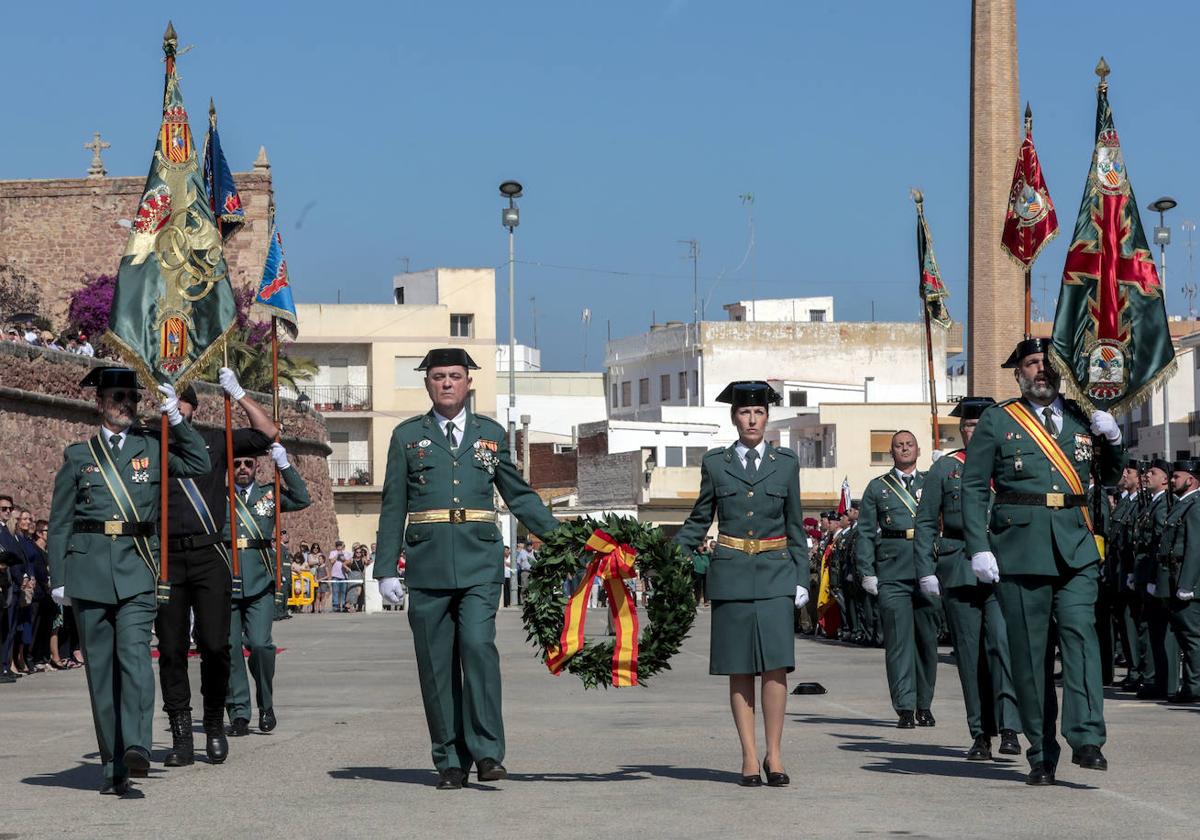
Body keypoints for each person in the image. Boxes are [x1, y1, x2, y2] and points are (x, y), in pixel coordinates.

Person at [374, 348, 561, 790]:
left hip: (479, 562)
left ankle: (488, 751)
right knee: (436, 667)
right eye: (438, 376)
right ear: (427, 383)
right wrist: (385, 569)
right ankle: (449, 760)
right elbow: (392, 506)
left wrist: (563, 538)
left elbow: (520, 496)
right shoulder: (406, 437)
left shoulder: (490, 435)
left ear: (468, 383)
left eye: (455, 376)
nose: (446, 383)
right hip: (427, 563)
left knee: (478, 648)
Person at [962, 337, 1123, 785]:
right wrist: (979, 545)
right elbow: (974, 487)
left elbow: (1107, 476)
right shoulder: (999, 420)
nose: (1041, 371)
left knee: (1081, 639)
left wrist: (1112, 437)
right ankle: (1041, 750)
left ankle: (1087, 737)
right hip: (1019, 548)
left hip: (1074, 545)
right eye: (1033, 363)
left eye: (1048, 364)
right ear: (1019, 373)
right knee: (1030, 656)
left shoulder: (1079, 415)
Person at [47, 367, 210, 795]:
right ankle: (112, 763)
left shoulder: (151, 448)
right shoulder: (78, 456)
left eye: (132, 398)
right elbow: (61, 523)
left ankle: (137, 745)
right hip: (88, 572)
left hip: (138, 568)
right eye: (118, 397)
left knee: (135, 657)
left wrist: (175, 416)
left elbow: (200, 461)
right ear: (99, 402)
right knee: (101, 673)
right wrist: (59, 577)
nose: (126, 404)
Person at [674, 381, 808, 787]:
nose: (752, 419)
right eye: (745, 413)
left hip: (775, 572)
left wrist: (801, 577)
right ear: (734, 418)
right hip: (731, 573)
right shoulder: (716, 463)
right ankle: (749, 756)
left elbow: (795, 525)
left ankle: (776, 753)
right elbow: (700, 519)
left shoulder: (786, 463)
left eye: (759, 412)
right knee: (739, 670)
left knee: (775, 668)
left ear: (767, 417)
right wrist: (666, 556)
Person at [156, 368, 277, 769]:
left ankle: (212, 723)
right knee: (171, 649)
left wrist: (239, 394)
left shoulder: (215, 437)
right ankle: (180, 735)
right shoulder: (149, 440)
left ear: (193, 406)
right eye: (170, 400)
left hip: (211, 554)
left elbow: (266, 434)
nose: (176, 407)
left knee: (214, 645)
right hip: (167, 557)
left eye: (182, 401)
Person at [914, 397, 1021, 760]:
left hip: (1002, 566)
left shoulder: (1008, 467)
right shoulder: (946, 469)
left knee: (1002, 646)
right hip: (958, 565)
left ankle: (1009, 726)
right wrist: (925, 571)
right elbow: (927, 521)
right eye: (968, 426)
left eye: (979, 425)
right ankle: (980, 732)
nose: (973, 431)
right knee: (970, 654)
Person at [225, 443, 310, 737]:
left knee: (261, 645)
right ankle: (238, 712)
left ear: (257, 466)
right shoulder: (219, 498)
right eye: (237, 464)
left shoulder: (269, 494)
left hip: (260, 581)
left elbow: (302, 499)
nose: (244, 468)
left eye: (249, 463)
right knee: (230, 648)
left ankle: (266, 703)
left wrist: (284, 466)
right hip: (226, 581)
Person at [857, 430, 940, 729]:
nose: (904, 449)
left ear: (918, 451)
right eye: (898, 446)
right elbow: (865, 532)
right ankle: (905, 706)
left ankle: (924, 704)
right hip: (892, 571)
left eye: (909, 445)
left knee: (926, 642)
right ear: (891, 452)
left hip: (928, 569)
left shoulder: (932, 482)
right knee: (898, 642)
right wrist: (867, 571)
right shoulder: (878, 488)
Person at [1134, 459, 1178, 700]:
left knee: (1161, 631)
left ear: (1164, 479)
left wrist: (1153, 577)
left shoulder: (1162, 505)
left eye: (1153, 472)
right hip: (1146, 575)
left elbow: (1161, 544)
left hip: (1155, 576)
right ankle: (1158, 681)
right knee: (1152, 630)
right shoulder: (1152, 504)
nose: (1147, 476)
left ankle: (1166, 683)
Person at [1161, 459, 1200, 703]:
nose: (1172, 480)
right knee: (1186, 637)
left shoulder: (1194, 506)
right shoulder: (1183, 504)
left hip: (1188, 584)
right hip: (1175, 579)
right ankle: (1190, 685)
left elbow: (1195, 548)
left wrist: (1187, 584)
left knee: (1192, 637)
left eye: (1177, 476)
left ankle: (1194, 686)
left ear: (1192, 479)